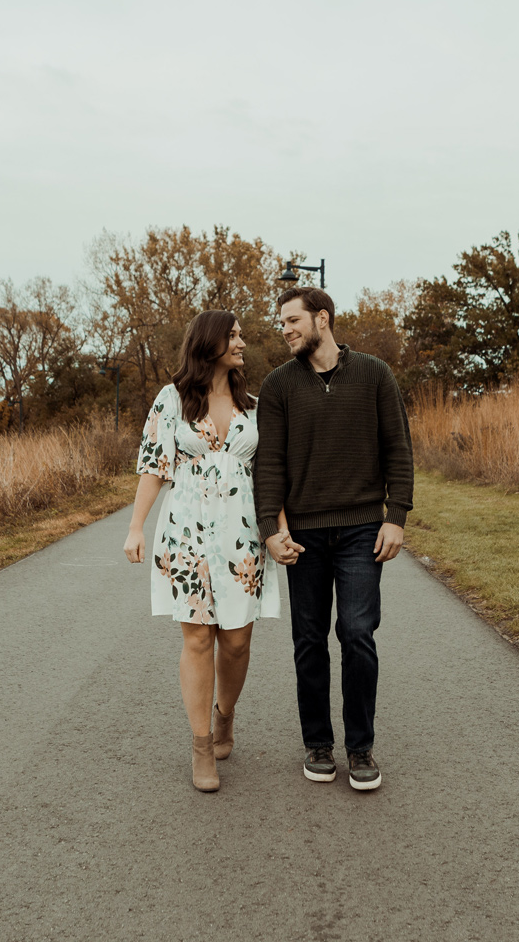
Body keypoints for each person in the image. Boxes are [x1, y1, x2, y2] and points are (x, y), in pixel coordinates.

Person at [254, 286, 414, 792]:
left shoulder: (373, 374)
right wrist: (271, 531)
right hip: (303, 533)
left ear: (322, 319)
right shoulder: (279, 387)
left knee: (357, 634)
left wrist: (397, 516)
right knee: (308, 640)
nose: (285, 330)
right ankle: (318, 743)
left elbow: (398, 449)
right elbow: (270, 466)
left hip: (362, 529)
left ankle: (361, 747)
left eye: (292, 320)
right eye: (282, 323)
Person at [124, 310, 283, 792]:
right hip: (186, 532)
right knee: (196, 639)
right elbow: (154, 465)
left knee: (236, 641)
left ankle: (225, 714)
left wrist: (280, 529)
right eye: (233, 336)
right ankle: (199, 747)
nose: (242, 342)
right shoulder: (171, 400)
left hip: (241, 535)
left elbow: (272, 476)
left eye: (240, 335)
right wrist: (136, 527)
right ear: (209, 342)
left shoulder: (254, 406)